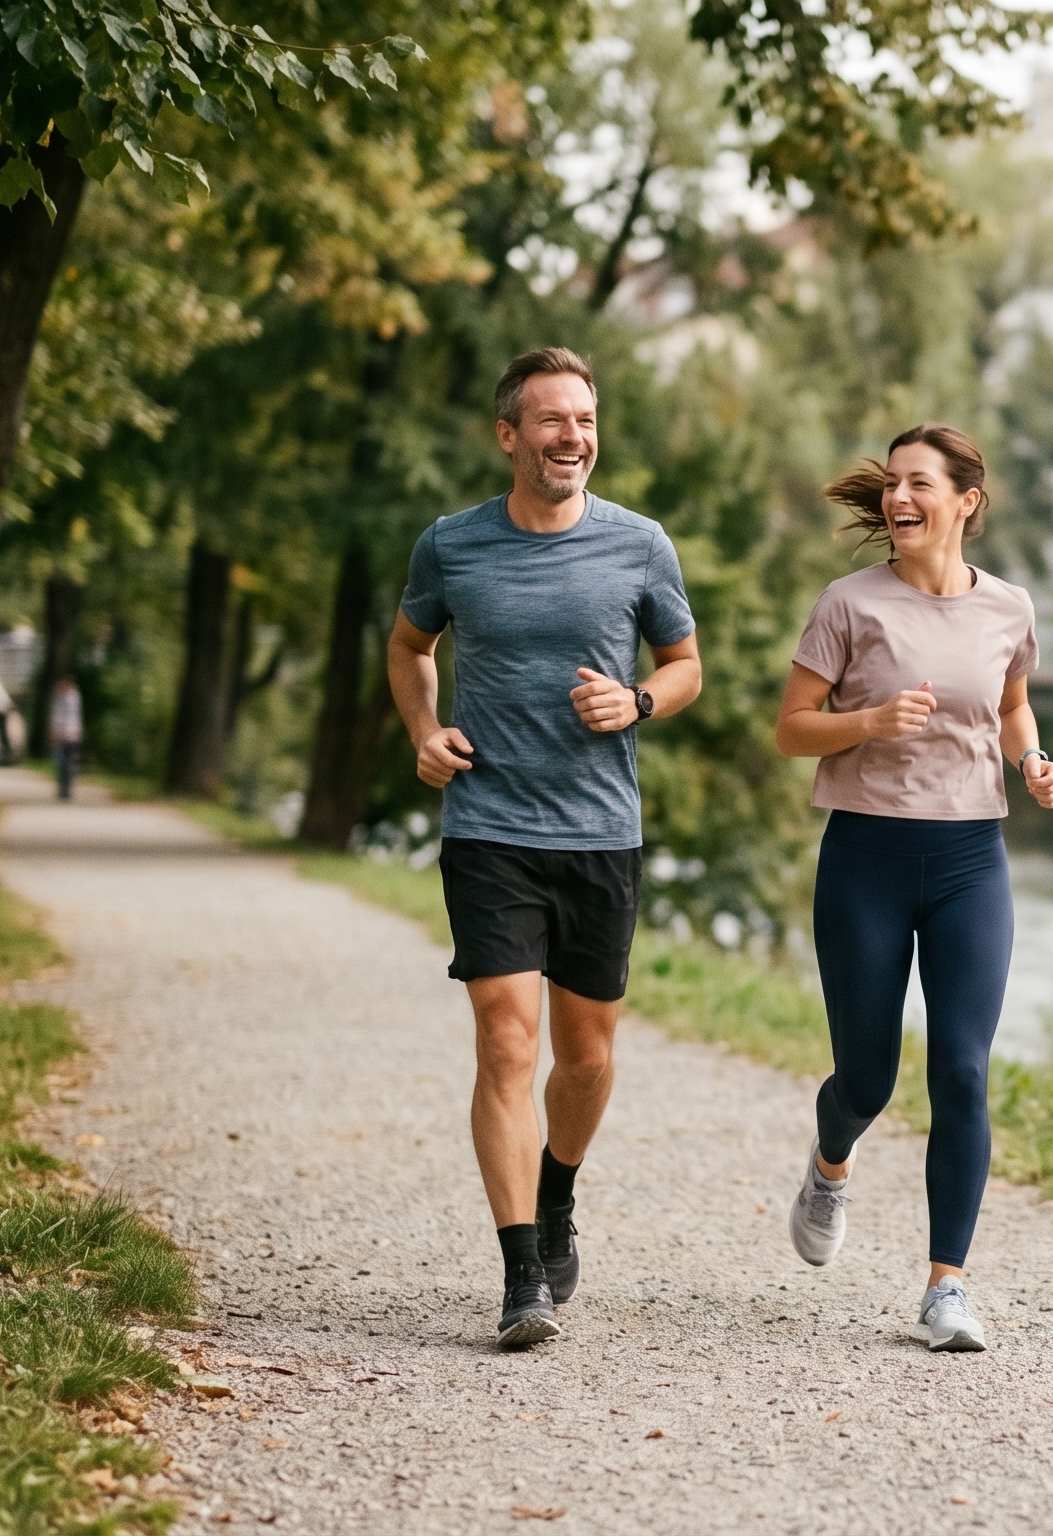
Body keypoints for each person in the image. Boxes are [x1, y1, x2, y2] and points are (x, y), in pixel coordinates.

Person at [388, 346, 704, 1349]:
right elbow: (408, 648)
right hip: (489, 827)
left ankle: (557, 1190)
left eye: (585, 419)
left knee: (586, 1058)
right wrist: (424, 734)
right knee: (505, 1043)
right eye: (553, 420)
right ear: (509, 436)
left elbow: (686, 663)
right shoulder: (452, 546)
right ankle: (522, 1273)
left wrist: (640, 699)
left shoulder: (639, 545)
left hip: (599, 833)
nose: (574, 437)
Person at [772, 424, 1053, 1352]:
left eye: (919, 484)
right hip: (865, 860)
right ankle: (830, 1162)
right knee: (867, 1077)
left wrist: (1034, 759)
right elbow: (791, 729)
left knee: (965, 1072)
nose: (899, 499)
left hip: (972, 862)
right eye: (892, 483)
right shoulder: (849, 605)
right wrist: (867, 722)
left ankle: (946, 1288)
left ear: (965, 502)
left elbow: (1012, 701)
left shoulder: (1010, 608)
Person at [49, 676, 83, 801]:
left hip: (69, 736)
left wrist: (63, 733)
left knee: (67, 764)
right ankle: (62, 789)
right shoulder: (62, 699)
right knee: (60, 764)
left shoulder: (72, 699)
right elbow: (56, 718)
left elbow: (70, 719)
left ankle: (66, 790)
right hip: (62, 736)